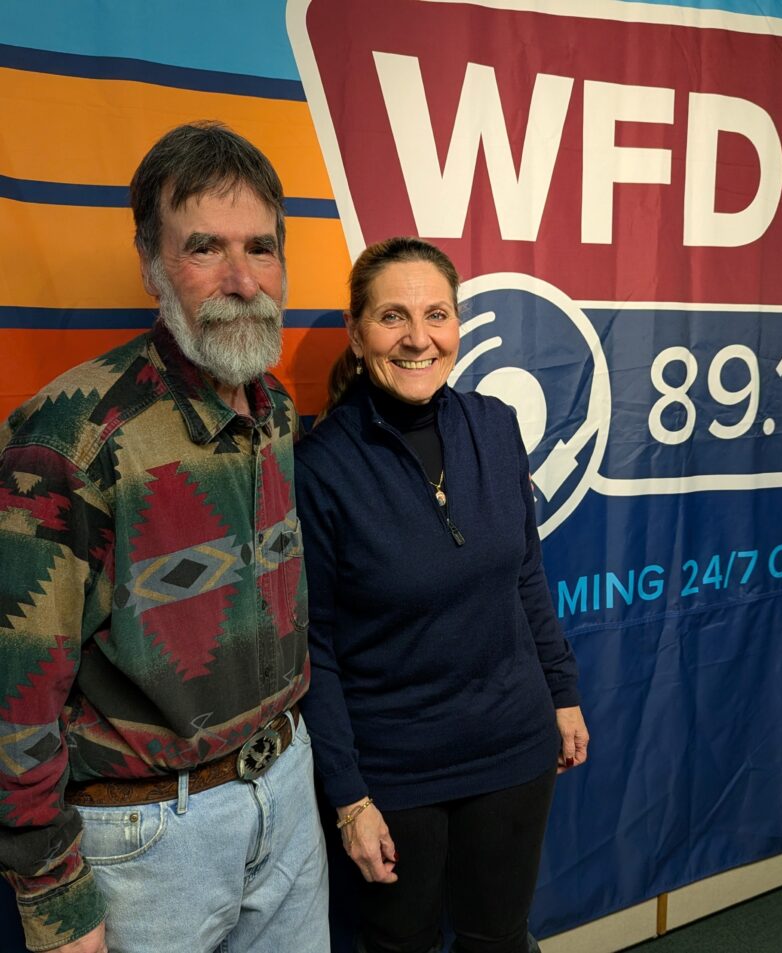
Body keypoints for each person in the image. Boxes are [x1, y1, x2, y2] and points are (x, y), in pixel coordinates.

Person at [0, 122, 329, 953]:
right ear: (151, 264)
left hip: (288, 790)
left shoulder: (277, 411)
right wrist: (54, 894)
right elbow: (15, 695)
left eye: (260, 248)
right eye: (205, 248)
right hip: (149, 840)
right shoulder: (69, 439)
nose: (241, 280)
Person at [295, 237, 590, 953]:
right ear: (357, 333)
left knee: (499, 938)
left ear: (458, 325)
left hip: (513, 745)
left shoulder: (495, 424)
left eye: (436, 314)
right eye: (392, 316)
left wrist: (561, 692)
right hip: (394, 771)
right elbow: (314, 649)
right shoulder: (320, 466)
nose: (418, 338)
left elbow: (526, 574)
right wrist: (349, 797)